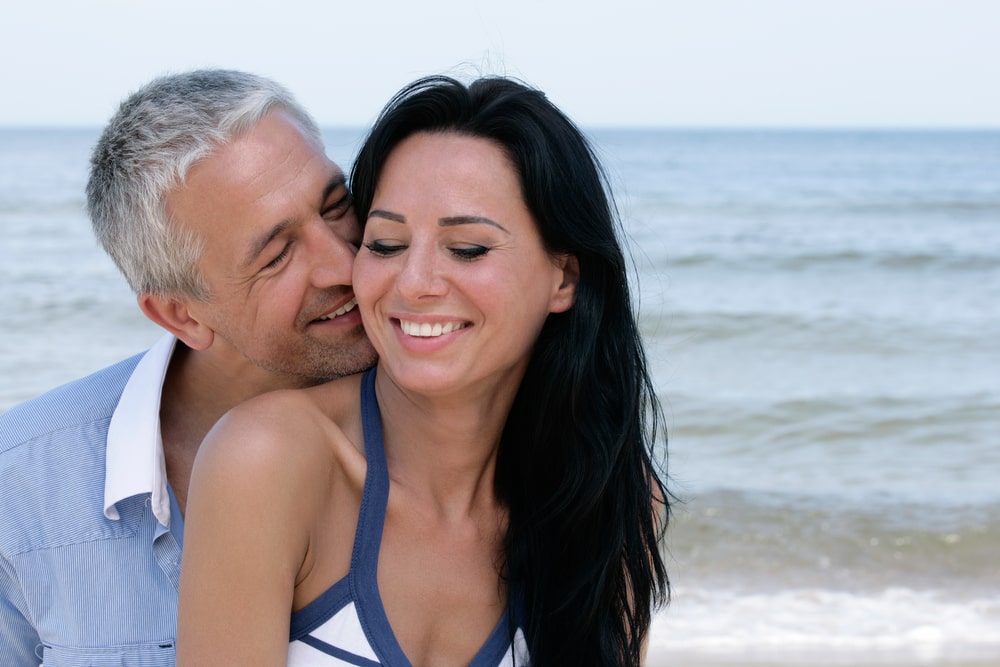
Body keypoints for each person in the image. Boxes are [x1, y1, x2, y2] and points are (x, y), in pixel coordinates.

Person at [177, 75, 670, 666]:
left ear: (563, 278)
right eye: (384, 244)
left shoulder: (613, 499)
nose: (413, 283)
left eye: (468, 249)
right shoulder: (267, 459)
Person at [0, 69, 377, 666]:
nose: (343, 264)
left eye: (338, 206)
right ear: (180, 315)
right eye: (277, 255)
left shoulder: (466, 429)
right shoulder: (16, 490)